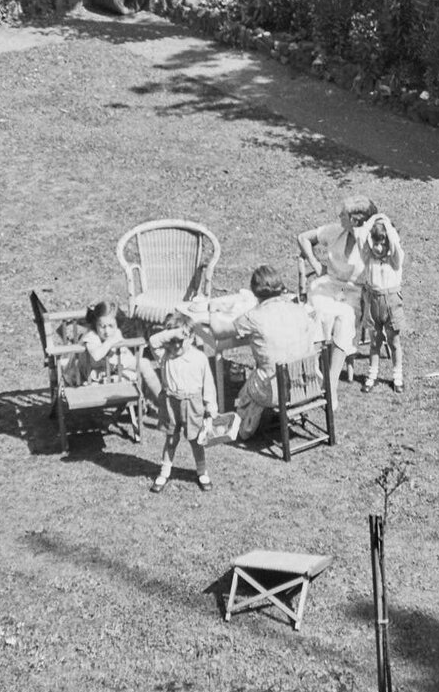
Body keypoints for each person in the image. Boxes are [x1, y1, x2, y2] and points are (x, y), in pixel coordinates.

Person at [213, 264, 318, 442]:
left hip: (276, 391)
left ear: (254, 292)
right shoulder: (299, 309)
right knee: (272, 364)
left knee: (250, 387)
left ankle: (247, 425)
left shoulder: (254, 317)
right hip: (308, 382)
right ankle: (267, 417)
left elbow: (218, 331)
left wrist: (211, 311)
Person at [296, 194, 381, 407]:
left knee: (345, 317)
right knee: (315, 311)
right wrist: (315, 264)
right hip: (329, 285)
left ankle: (331, 383)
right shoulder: (335, 231)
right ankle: (309, 371)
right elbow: (303, 237)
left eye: (343, 214)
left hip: (355, 292)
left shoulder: (372, 242)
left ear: (355, 220)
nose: (338, 216)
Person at [147, 313, 218, 494]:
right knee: (171, 438)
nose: (177, 345)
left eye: (182, 340)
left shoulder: (199, 358)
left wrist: (211, 409)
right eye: (173, 340)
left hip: (192, 403)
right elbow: (153, 341)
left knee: (196, 440)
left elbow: (208, 385)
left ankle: (202, 471)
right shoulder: (164, 356)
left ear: (192, 338)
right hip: (171, 403)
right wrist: (174, 333)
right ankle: (164, 472)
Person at [356, 210, 406, 392]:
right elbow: (361, 238)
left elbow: (395, 243)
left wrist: (387, 224)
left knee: (394, 342)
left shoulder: (395, 260)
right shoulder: (368, 258)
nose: (378, 247)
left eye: (382, 243)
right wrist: (374, 219)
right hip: (373, 302)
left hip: (391, 303)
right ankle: (372, 375)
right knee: (375, 342)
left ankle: (397, 377)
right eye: (375, 243)